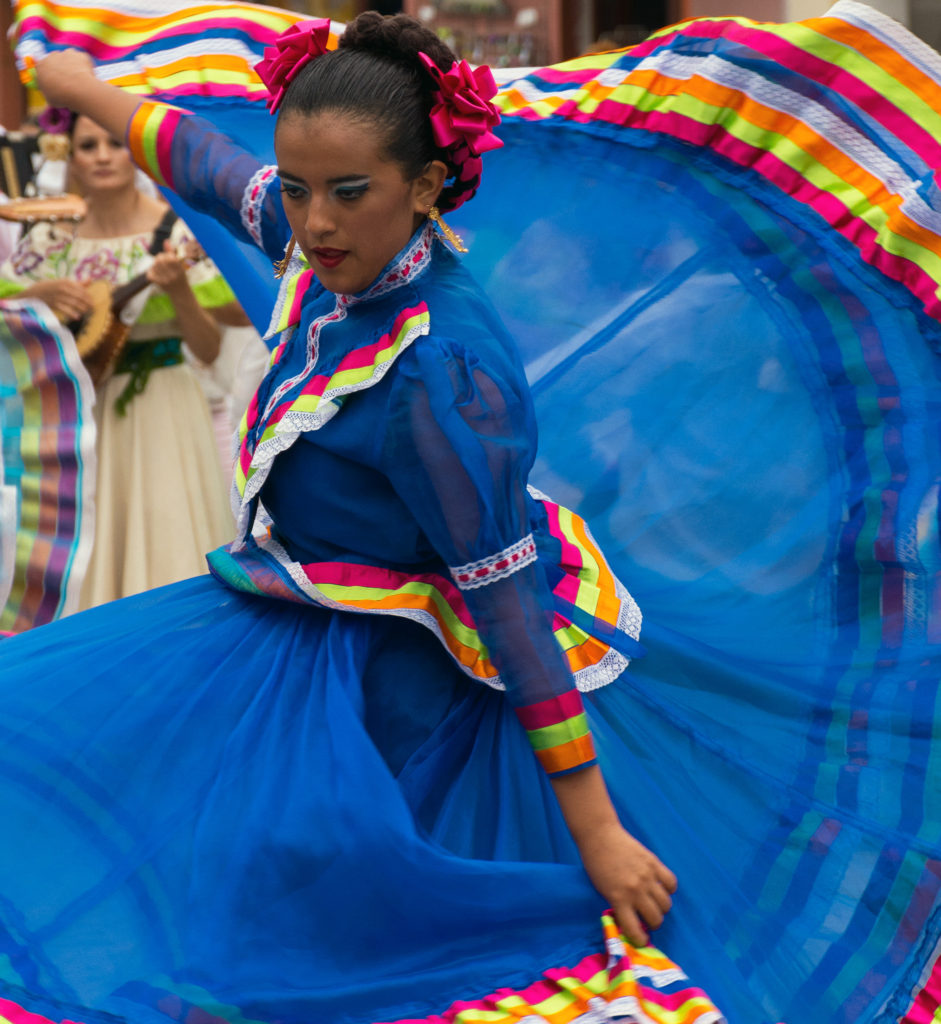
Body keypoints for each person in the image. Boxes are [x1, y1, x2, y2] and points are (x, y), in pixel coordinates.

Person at [0, 12, 724, 1024]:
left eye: (347, 192)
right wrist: (80, 86)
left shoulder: (442, 371)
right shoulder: (323, 244)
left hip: (403, 684)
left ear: (426, 186)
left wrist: (596, 831)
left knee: (336, 945)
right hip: (286, 632)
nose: (313, 222)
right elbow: (202, 161)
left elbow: (507, 604)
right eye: (295, 190)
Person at [0, 112, 235, 609]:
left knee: (168, 536)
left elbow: (210, 348)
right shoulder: (49, 240)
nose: (103, 155)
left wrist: (180, 292)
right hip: (78, 418)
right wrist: (39, 293)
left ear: (136, 154)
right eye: (88, 146)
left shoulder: (176, 231)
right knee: (91, 539)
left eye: (114, 143)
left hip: (165, 407)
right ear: (71, 157)